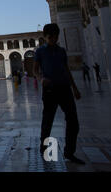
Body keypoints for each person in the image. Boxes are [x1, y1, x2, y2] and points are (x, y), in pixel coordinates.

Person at [34, 23, 84, 165]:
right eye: (50, 37)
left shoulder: (61, 51)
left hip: (65, 89)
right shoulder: (40, 51)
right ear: (45, 37)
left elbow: (66, 70)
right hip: (50, 89)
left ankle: (69, 152)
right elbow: (35, 70)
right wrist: (41, 78)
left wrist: (75, 88)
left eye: (55, 37)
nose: (53, 40)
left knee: (73, 121)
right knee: (47, 121)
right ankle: (44, 148)